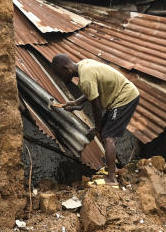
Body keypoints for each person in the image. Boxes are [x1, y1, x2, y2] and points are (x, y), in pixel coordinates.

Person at [50, 54, 140, 186]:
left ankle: (111, 178)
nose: (61, 79)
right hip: (118, 98)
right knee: (104, 133)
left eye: (60, 74)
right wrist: (75, 102)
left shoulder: (85, 77)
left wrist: (98, 128)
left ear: (66, 68)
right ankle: (112, 169)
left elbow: (96, 106)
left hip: (124, 98)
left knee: (108, 136)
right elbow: (91, 90)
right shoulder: (84, 65)